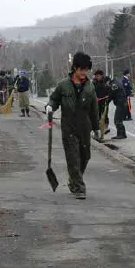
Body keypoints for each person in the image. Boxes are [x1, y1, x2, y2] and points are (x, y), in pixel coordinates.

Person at [45, 52, 100, 200]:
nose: (84, 73)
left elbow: (94, 109)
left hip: (84, 127)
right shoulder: (63, 85)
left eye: (86, 70)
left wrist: (97, 128)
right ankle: (78, 187)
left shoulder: (90, 87)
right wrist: (50, 107)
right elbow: (54, 100)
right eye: (81, 69)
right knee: (73, 158)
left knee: (85, 157)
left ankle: (74, 179)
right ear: (75, 68)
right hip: (69, 126)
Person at [93, 70, 110, 134]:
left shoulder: (106, 81)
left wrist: (108, 97)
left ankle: (106, 127)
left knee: (105, 114)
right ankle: (99, 128)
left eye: (98, 76)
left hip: (104, 100)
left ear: (101, 75)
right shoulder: (94, 82)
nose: (97, 77)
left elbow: (109, 91)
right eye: (96, 76)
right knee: (98, 114)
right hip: (97, 101)